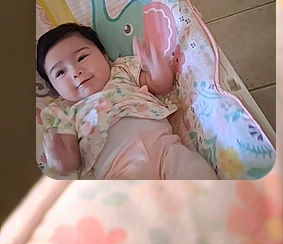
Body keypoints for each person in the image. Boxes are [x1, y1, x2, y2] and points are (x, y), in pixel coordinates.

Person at [36, 23, 218, 180]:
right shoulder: (63, 111)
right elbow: (70, 163)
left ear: (104, 55)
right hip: (117, 171)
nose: (75, 71)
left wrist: (156, 65)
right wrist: (59, 155)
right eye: (60, 72)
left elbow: (160, 84)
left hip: (164, 147)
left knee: (192, 170)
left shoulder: (122, 70)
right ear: (53, 88)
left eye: (81, 58)